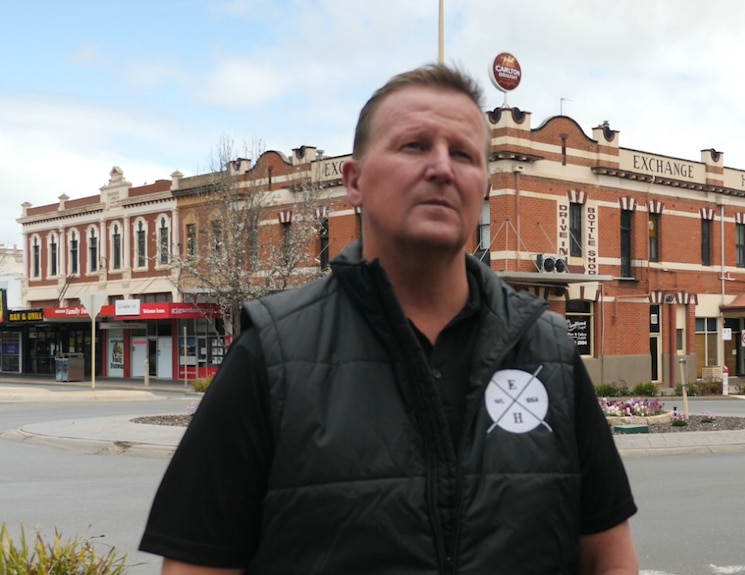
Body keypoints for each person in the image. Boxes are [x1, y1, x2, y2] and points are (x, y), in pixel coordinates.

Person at [140, 63, 639, 574]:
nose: (442, 168)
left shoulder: (547, 351)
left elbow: (609, 556)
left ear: (483, 185)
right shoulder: (270, 354)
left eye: (464, 153)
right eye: (414, 146)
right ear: (354, 182)